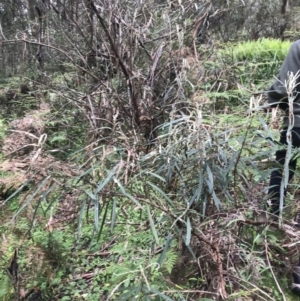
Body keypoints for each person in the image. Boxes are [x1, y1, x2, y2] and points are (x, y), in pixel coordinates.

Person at [267, 39, 300, 295]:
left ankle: (272, 225)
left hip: (296, 125)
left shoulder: (299, 47)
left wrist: (273, 103)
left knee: (282, 172)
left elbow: (280, 91)